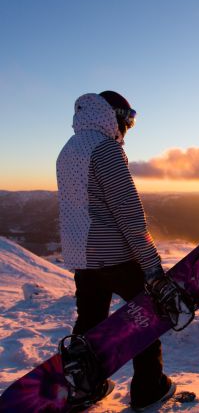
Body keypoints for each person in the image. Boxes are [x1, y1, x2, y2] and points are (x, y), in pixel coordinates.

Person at [56, 91, 175, 410]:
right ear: (115, 116)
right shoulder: (105, 149)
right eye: (128, 121)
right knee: (145, 319)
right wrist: (151, 265)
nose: (127, 129)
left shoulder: (68, 150)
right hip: (117, 257)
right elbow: (128, 211)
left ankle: (84, 386)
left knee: (90, 322)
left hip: (85, 258)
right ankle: (149, 389)